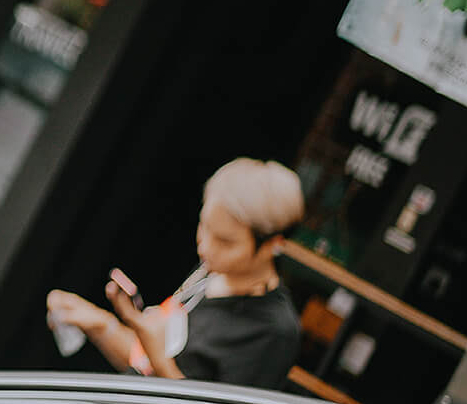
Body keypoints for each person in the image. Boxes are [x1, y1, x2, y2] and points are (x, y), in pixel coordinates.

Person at [46, 158, 305, 390]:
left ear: (273, 244)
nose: (205, 247)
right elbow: (145, 367)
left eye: (225, 242)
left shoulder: (274, 330)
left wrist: (159, 358)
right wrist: (100, 324)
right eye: (204, 226)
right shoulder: (209, 274)